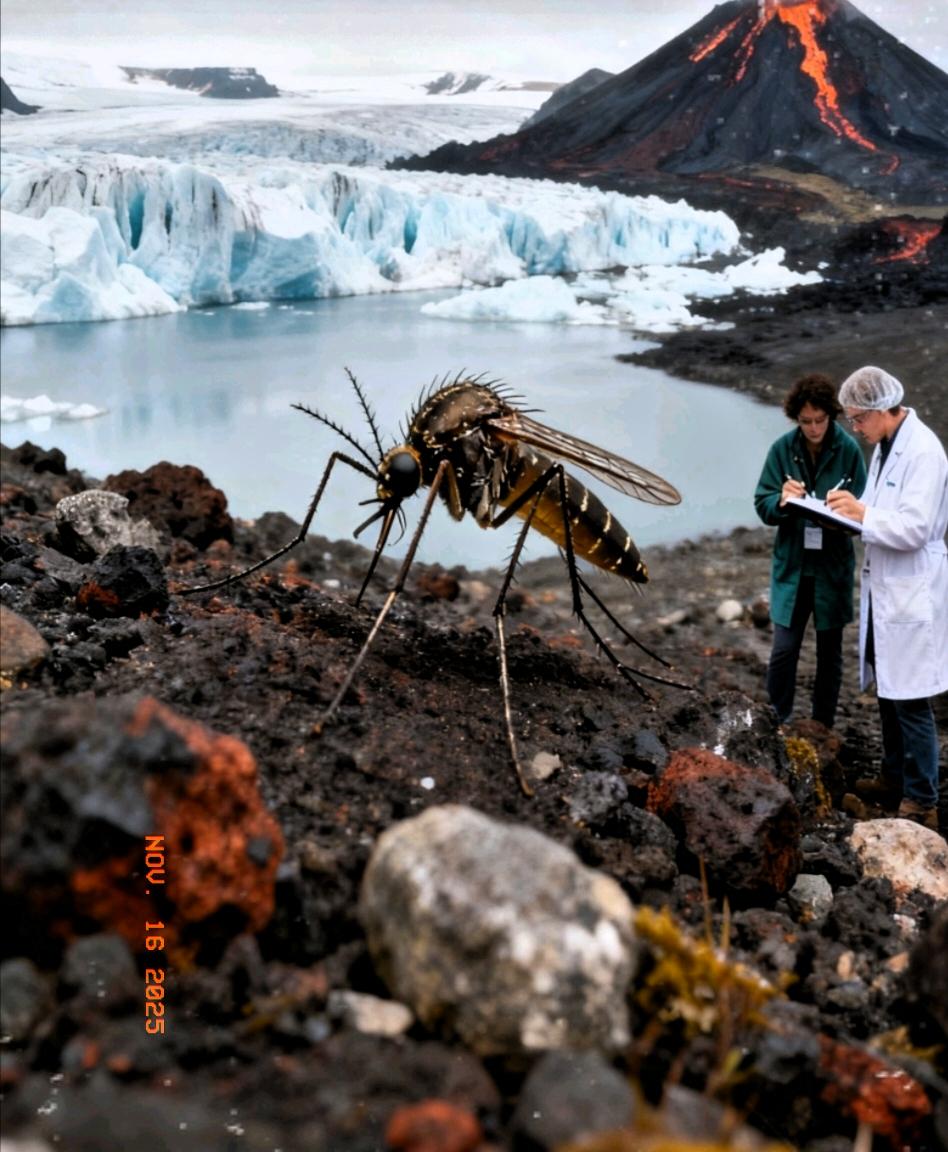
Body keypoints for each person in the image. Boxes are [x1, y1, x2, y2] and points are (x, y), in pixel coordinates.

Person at [826, 366, 947, 831]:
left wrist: (864, 513)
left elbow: (914, 527)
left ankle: (922, 800)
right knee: (888, 689)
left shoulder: (924, 452)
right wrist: (846, 511)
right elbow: (881, 512)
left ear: (881, 410)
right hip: (887, 587)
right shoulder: (887, 446)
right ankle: (894, 777)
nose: (855, 428)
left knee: (911, 697)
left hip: (913, 586)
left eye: (858, 419)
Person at [754, 374, 867, 729]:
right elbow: (763, 503)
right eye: (806, 422)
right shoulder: (782, 449)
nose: (814, 428)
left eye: (820, 420)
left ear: (831, 416)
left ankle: (822, 724)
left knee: (829, 652)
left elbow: (866, 509)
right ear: (795, 419)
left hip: (831, 567)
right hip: (793, 566)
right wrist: (783, 501)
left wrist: (843, 516)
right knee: (784, 648)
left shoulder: (848, 449)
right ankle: (777, 719)